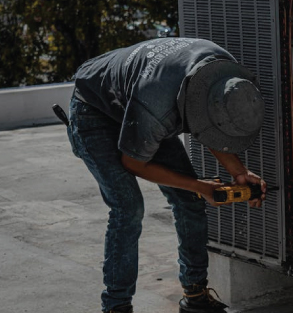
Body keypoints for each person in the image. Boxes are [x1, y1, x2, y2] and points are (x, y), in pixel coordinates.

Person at [66, 37, 267, 313]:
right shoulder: (157, 106)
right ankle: (116, 306)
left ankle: (195, 296)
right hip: (93, 109)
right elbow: (134, 163)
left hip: (139, 100)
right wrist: (199, 185)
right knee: (128, 207)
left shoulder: (224, 73)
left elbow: (210, 121)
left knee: (190, 201)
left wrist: (239, 172)